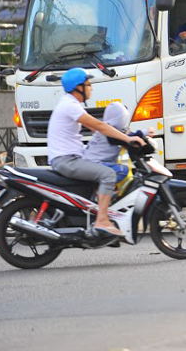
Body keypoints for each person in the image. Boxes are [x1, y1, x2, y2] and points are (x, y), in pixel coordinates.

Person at [47, 68, 145, 236]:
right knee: (108, 174)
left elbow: (96, 128)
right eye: (88, 84)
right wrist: (128, 140)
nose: (91, 88)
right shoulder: (70, 106)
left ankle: (96, 210)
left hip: (69, 158)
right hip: (68, 160)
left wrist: (128, 134)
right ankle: (102, 220)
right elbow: (100, 126)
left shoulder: (69, 103)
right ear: (78, 88)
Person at [83, 102, 133, 190]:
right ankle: (101, 190)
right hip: (97, 164)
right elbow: (127, 138)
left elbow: (128, 135)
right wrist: (143, 134)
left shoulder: (107, 129)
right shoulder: (110, 134)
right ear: (121, 119)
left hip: (90, 163)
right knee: (122, 170)